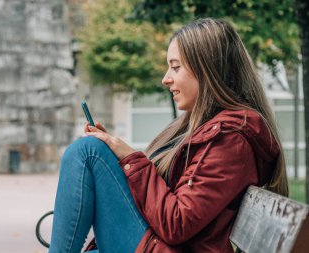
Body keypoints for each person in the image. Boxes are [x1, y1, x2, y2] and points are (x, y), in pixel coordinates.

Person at [48, 18, 288, 253]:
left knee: (88, 152)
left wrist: (130, 157)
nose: (166, 78)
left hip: (167, 245)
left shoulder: (231, 140)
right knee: (95, 151)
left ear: (207, 70)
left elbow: (177, 222)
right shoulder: (207, 129)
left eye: (175, 67)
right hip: (160, 244)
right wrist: (116, 158)